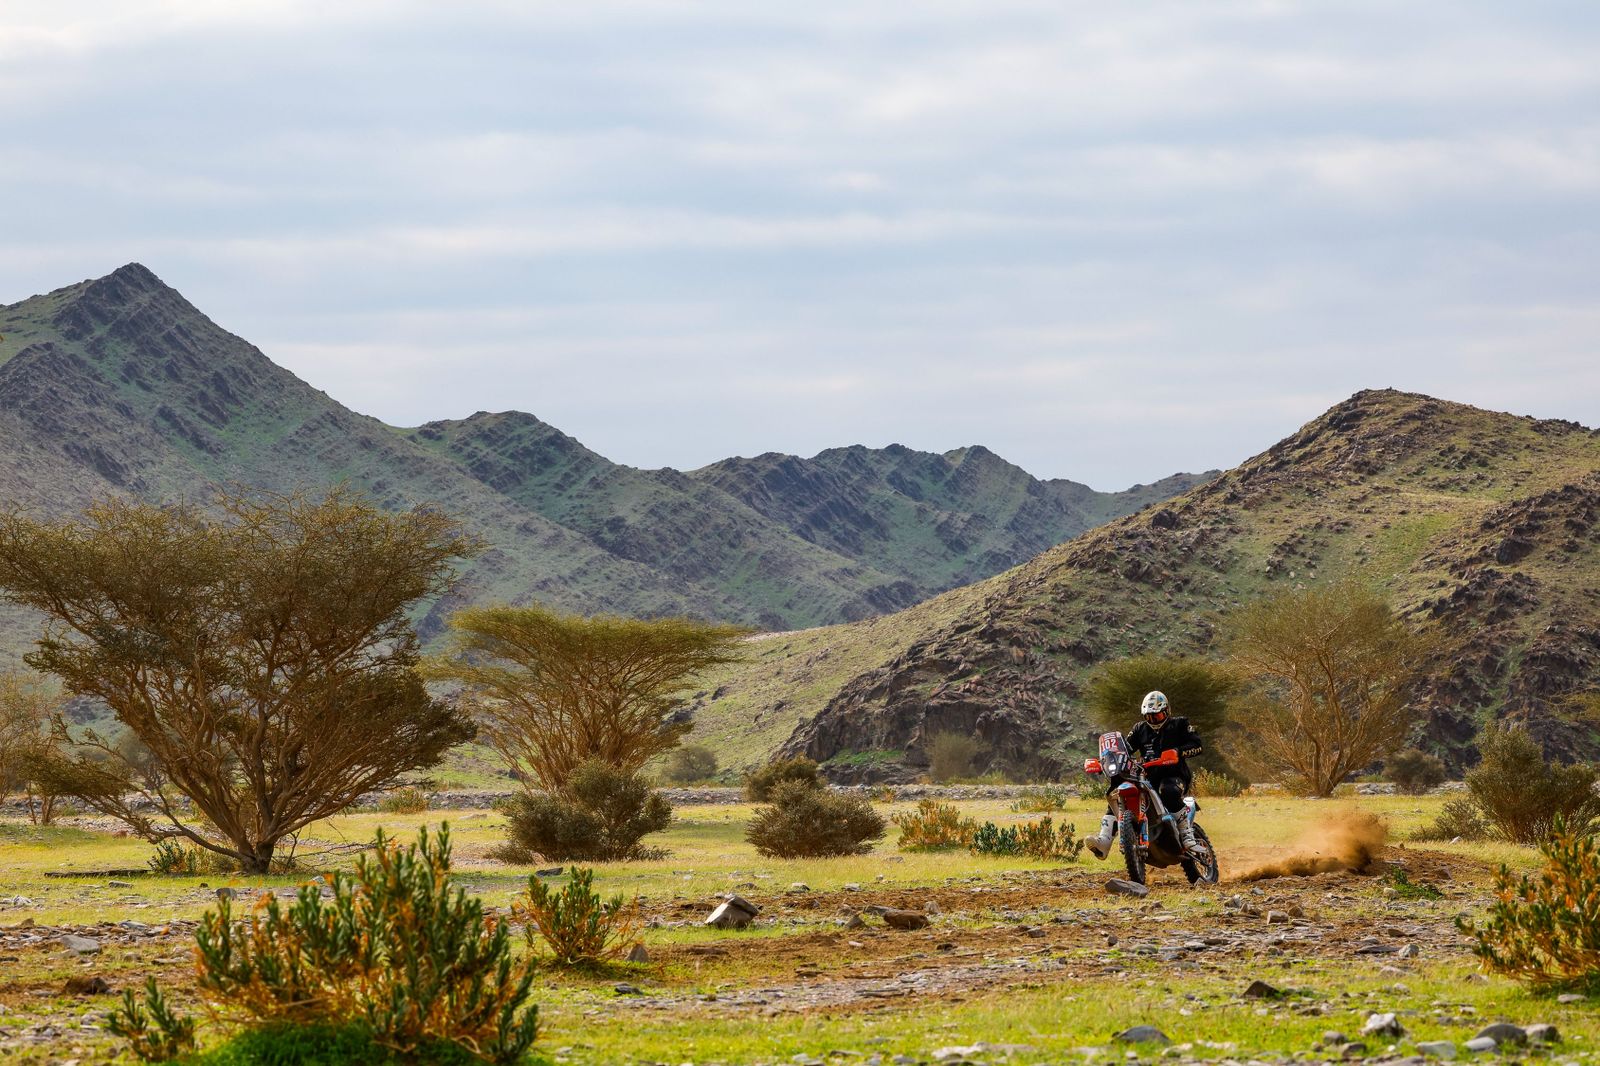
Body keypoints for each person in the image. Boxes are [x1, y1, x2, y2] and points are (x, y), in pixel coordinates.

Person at [1085, 690, 1204, 858]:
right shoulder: (1140, 729)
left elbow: (1197, 745)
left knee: (1168, 791)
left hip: (1174, 775)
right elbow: (1124, 749)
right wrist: (1104, 761)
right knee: (1118, 794)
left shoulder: (1180, 724)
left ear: (1167, 711)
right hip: (1146, 776)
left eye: (1157, 716)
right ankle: (1103, 841)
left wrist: (1177, 752)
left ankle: (1186, 835)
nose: (1153, 720)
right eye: (1149, 717)